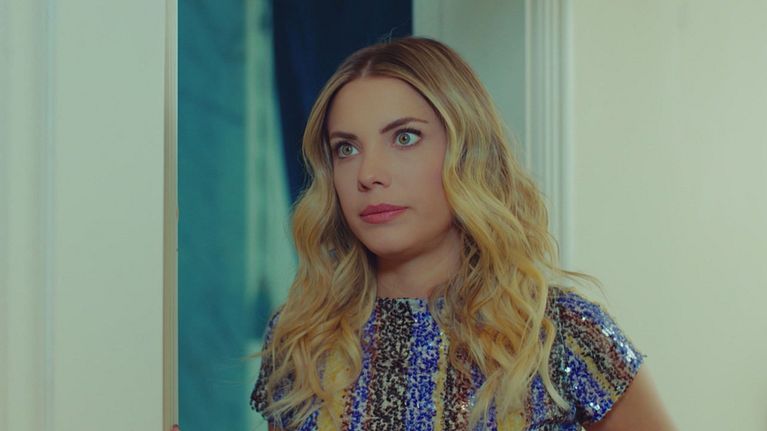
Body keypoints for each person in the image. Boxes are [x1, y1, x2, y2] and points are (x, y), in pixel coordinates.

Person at [182, 36, 675, 431]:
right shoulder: (302, 338)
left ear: (466, 152)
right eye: (346, 148)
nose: (368, 174)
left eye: (405, 137)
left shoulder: (559, 333)